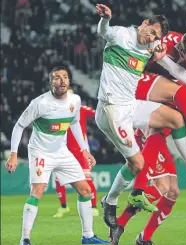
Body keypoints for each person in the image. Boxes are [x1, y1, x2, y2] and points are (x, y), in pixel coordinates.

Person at [95, 4, 186, 228]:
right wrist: (106, 19)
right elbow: (104, 32)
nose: (151, 36)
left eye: (157, 35)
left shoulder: (152, 46)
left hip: (130, 105)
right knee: (136, 164)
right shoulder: (121, 34)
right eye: (151, 31)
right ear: (144, 23)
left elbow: (176, 71)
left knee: (175, 119)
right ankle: (110, 200)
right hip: (110, 109)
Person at [5, 66, 109, 245]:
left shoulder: (75, 100)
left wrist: (84, 150)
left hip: (61, 151)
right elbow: (19, 125)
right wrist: (13, 154)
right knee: (37, 191)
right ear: (50, 82)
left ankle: (88, 236)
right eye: (57, 78)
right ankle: (25, 238)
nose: (62, 81)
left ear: (69, 81)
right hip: (40, 152)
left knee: (85, 190)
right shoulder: (40, 103)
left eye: (65, 77)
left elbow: (75, 123)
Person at [53, 90, 99, 218]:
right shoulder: (58, 111)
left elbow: (96, 114)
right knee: (58, 179)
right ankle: (63, 207)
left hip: (80, 151)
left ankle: (94, 207)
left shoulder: (81, 109)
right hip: (63, 150)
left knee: (87, 179)